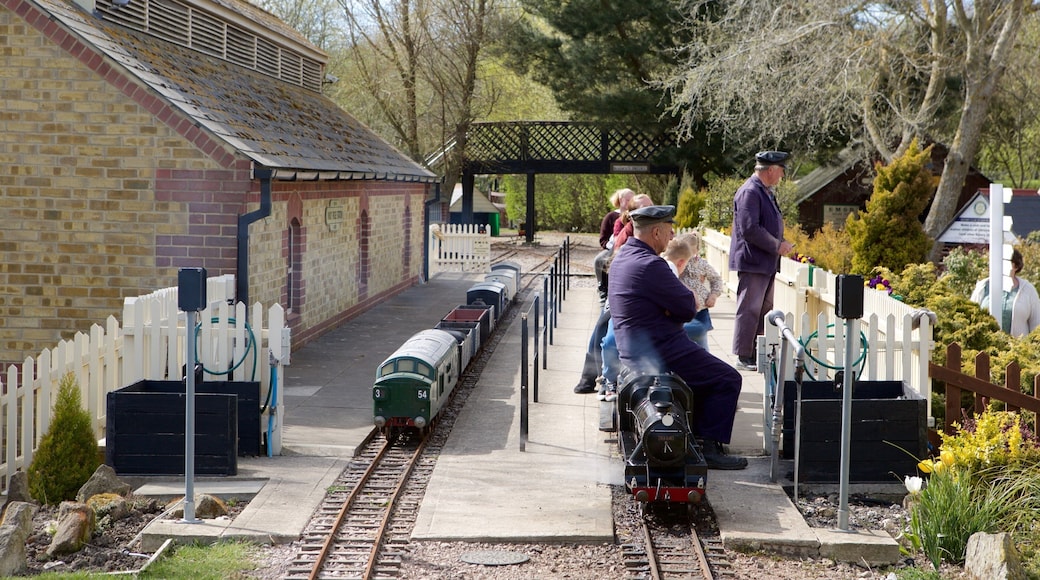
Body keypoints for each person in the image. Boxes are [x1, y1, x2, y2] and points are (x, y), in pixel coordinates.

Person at [608, 205, 747, 470]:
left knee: (709, 373)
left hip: (634, 348)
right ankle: (708, 447)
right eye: (669, 230)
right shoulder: (652, 265)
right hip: (662, 349)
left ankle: (689, 436)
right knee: (728, 379)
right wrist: (681, 304)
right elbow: (686, 308)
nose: (673, 236)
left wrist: (670, 307)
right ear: (656, 231)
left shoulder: (623, 257)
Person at [597, 235, 692, 402]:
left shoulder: (658, 265)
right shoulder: (634, 261)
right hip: (621, 311)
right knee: (610, 341)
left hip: (643, 317)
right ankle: (609, 379)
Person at [574, 193, 652, 395]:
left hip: (630, 286)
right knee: (604, 324)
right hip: (617, 286)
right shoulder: (628, 231)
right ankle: (589, 376)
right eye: (646, 208)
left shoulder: (649, 229)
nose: (652, 211)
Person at [729, 150, 794, 371]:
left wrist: (781, 242)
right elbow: (750, 229)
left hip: (764, 261)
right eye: (781, 171)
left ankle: (756, 352)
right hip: (753, 261)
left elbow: (768, 223)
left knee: (763, 309)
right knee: (749, 309)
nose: (782, 176)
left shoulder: (763, 191)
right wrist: (777, 245)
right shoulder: (750, 191)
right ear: (771, 170)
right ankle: (743, 355)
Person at [971, 249, 1040, 338]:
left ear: (1016, 266)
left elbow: (1037, 324)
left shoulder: (1028, 290)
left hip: (1018, 349)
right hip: (985, 348)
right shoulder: (982, 287)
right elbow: (970, 315)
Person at [677, 231, 724, 350]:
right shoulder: (676, 265)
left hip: (700, 311)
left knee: (701, 343)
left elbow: (716, 279)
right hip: (682, 310)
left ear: (696, 251)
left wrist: (713, 295)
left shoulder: (702, 264)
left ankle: (704, 364)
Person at [594, 189, 635, 306]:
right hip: (613, 246)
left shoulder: (635, 215)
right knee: (599, 260)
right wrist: (612, 246)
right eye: (628, 200)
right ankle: (602, 286)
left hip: (630, 245)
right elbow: (603, 239)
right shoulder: (611, 216)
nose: (629, 202)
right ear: (621, 200)